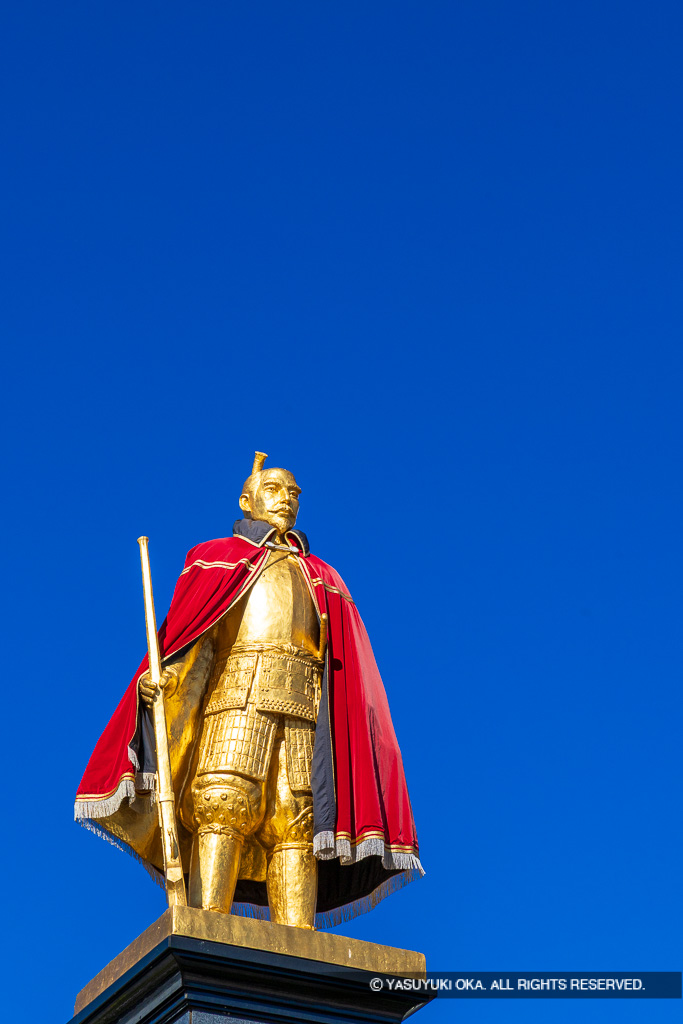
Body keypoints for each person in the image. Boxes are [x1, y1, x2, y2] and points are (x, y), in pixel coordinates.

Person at [75, 453, 422, 929]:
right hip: (239, 695)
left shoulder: (323, 577)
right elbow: (196, 642)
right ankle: (207, 922)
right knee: (224, 803)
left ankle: (299, 938)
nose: (288, 500)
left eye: (294, 493)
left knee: (296, 821)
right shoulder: (216, 558)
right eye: (275, 490)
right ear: (247, 500)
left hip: (304, 707)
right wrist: (167, 678)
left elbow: (344, 663)